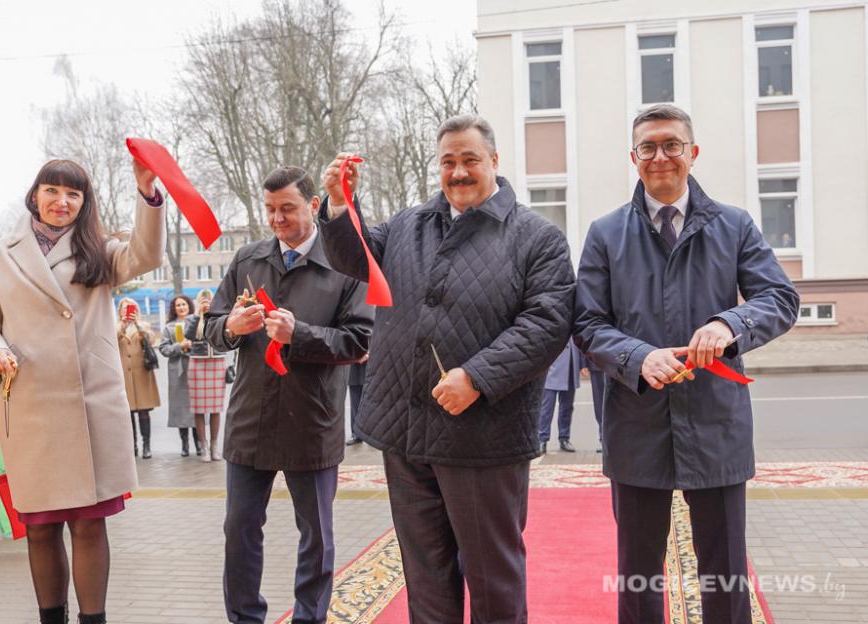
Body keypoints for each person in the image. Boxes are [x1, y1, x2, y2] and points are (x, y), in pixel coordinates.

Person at [321, 115, 575, 621]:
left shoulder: (537, 238)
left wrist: (478, 377)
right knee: (425, 576)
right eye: (448, 162)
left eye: (470, 160)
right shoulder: (408, 224)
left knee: (491, 578)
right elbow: (358, 260)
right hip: (406, 432)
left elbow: (547, 323)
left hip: (484, 439)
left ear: (495, 162)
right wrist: (338, 202)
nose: (458, 172)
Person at [573, 104, 799, 624]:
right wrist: (637, 355)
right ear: (634, 158)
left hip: (715, 423)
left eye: (672, 144)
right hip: (635, 423)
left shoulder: (734, 225)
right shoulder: (606, 233)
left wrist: (729, 326)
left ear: (692, 153)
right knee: (638, 574)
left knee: (723, 572)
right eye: (648, 147)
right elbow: (586, 323)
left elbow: (779, 299)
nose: (661, 157)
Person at [0, 158, 166, 624]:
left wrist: (148, 196)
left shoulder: (100, 248)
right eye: (52, 190)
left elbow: (147, 255)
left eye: (73, 194)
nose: (62, 201)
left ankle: (95, 620)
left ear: (83, 201)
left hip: (90, 405)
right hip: (31, 404)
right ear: (34, 195)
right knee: (40, 529)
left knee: (89, 524)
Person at [203, 166, 372, 623]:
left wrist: (302, 334)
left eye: (287, 209)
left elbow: (360, 341)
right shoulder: (248, 259)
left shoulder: (346, 262)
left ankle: (308, 617)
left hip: (312, 418)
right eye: (270, 209)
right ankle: (244, 617)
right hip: (249, 419)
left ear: (314, 206)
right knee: (239, 530)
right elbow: (212, 329)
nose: (276, 219)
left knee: (315, 535)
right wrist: (229, 328)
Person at [116, 297, 161, 459]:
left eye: (131, 308)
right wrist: (122, 324)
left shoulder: (143, 325)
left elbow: (151, 339)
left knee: (143, 411)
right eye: (124, 308)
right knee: (127, 413)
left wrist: (137, 325)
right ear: (120, 310)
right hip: (123, 375)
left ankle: (146, 446)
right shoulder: (115, 326)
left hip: (141, 373)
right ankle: (132, 446)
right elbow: (112, 339)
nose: (127, 311)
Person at [157, 294, 202, 457]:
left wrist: (193, 345)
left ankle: (199, 443)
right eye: (178, 305)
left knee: (196, 407)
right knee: (180, 408)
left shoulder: (197, 323)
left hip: (195, 368)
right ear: (174, 309)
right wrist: (178, 346)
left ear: (189, 306)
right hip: (177, 371)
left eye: (183, 304)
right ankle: (184, 444)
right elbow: (163, 349)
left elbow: (205, 343)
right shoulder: (169, 327)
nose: (181, 307)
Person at [185, 289, 224, 463]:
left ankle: (215, 446)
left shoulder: (219, 315)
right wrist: (198, 314)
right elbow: (189, 335)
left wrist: (212, 313)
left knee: (216, 408)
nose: (206, 303)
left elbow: (225, 335)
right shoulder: (192, 319)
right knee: (199, 409)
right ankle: (204, 447)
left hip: (216, 363)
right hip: (197, 363)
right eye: (203, 300)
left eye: (209, 300)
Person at [539, 341, 581, 453]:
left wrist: (582, 365)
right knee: (546, 409)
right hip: (551, 370)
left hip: (571, 367)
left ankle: (564, 438)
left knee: (567, 408)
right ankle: (542, 439)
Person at [345, 355, 367, 446]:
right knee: (355, 402)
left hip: (371, 362)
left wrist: (369, 352)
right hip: (353, 362)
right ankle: (356, 434)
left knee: (373, 403)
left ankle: (373, 436)